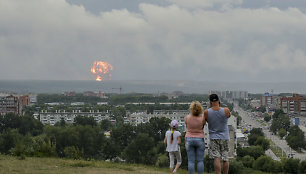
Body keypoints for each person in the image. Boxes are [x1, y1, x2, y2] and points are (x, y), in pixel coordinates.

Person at [204, 94, 231, 174]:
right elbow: (229, 115)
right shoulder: (226, 110)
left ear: (210, 102)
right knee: (225, 158)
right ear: (219, 100)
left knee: (217, 158)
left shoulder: (207, 112)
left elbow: (203, 122)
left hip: (213, 138)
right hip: (225, 137)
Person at [185, 101, 206, 174]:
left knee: (191, 161)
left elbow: (187, 126)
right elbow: (202, 127)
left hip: (189, 139)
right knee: (200, 161)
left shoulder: (187, 117)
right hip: (200, 139)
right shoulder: (202, 119)